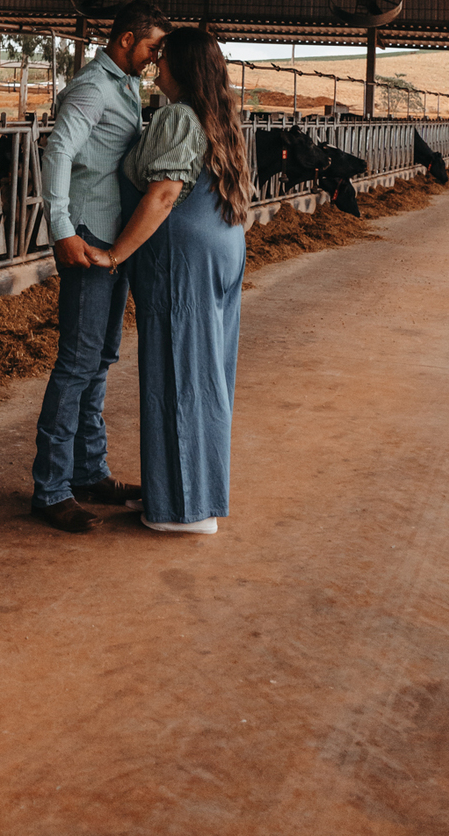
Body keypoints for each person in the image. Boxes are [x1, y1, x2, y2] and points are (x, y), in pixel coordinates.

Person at [92, 26, 249, 536]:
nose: (155, 65)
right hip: (222, 242)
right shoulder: (220, 114)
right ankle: (192, 495)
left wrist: (115, 254)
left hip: (184, 257)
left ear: (181, 66)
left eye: (162, 58)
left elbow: (162, 195)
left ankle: (186, 510)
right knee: (207, 373)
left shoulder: (179, 116)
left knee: (178, 371)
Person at [30, 0, 172, 534]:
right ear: (126, 39)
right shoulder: (93, 87)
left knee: (101, 358)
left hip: (115, 241)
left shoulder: (125, 85)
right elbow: (59, 152)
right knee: (77, 361)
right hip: (88, 237)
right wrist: (61, 227)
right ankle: (51, 489)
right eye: (151, 47)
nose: (155, 57)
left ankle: (89, 472)